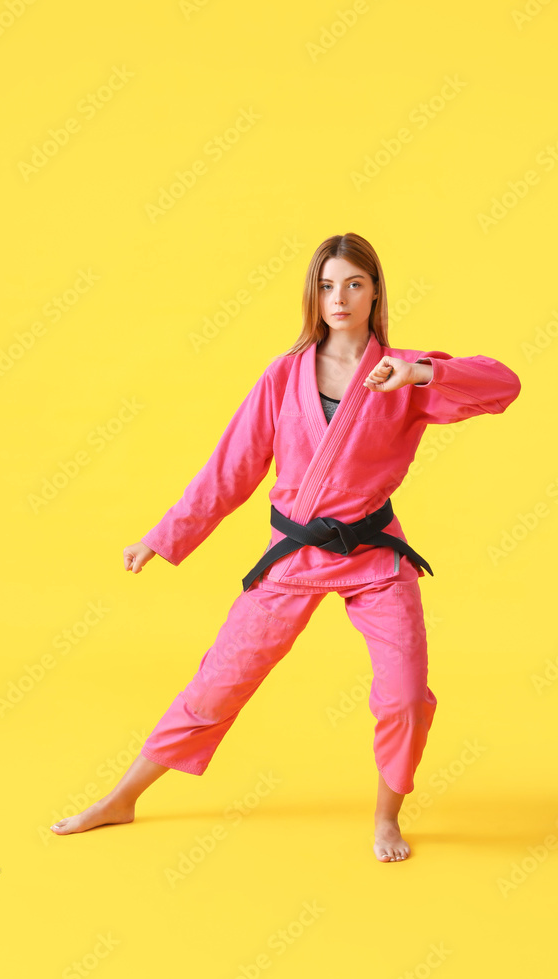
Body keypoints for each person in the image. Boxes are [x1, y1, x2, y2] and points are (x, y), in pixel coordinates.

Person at [50, 232, 521, 862]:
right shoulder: (284, 375)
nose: (340, 297)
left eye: (354, 283)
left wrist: (420, 371)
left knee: (405, 695)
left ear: (375, 290)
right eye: (327, 285)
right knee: (217, 685)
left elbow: (502, 385)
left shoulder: (402, 372)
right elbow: (230, 469)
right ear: (313, 294)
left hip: (374, 557)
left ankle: (387, 819)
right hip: (292, 557)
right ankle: (123, 797)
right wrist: (162, 537)